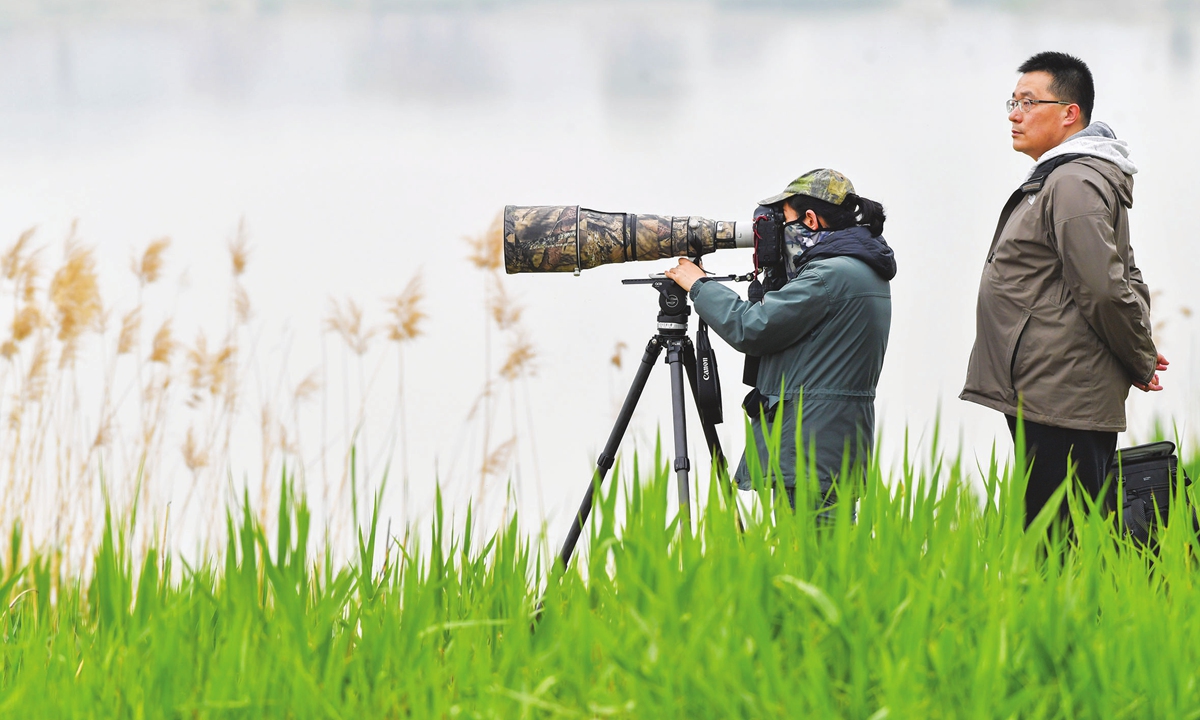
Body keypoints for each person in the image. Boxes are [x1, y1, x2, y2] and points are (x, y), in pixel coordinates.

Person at [960, 51, 1167, 528]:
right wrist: (1139, 344)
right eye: (1012, 101)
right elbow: (1125, 274)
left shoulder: (1073, 181)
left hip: (1062, 392)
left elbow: (1105, 288)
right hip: (1051, 388)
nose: (1015, 114)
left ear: (1070, 113)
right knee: (1058, 525)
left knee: (1058, 536)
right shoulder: (1063, 176)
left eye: (1029, 102)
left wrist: (1137, 355)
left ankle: (1068, 605)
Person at [664, 169, 895, 515]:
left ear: (811, 220)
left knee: (808, 561)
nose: (777, 231)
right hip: (830, 447)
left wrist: (700, 286)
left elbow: (751, 327)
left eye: (783, 221)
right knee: (827, 563)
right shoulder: (861, 268)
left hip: (808, 453)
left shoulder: (829, 276)